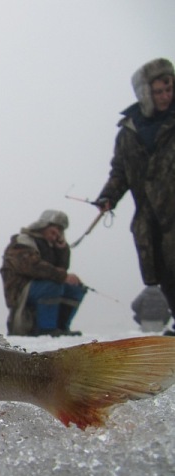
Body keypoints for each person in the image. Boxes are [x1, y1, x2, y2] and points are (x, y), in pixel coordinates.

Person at [94, 58, 175, 335]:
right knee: (164, 271)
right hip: (149, 215)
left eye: (169, 89)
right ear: (145, 93)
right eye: (159, 91)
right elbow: (121, 171)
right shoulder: (129, 131)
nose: (166, 96)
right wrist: (108, 197)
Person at [0, 209, 87, 336]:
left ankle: (61, 328)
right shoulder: (22, 241)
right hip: (21, 291)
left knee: (75, 288)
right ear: (43, 226)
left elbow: (62, 269)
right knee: (52, 286)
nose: (56, 234)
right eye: (53, 230)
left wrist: (62, 249)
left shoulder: (52, 246)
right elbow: (31, 266)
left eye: (60, 231)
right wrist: (63, 276)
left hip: (41, 287)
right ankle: (47, 329)